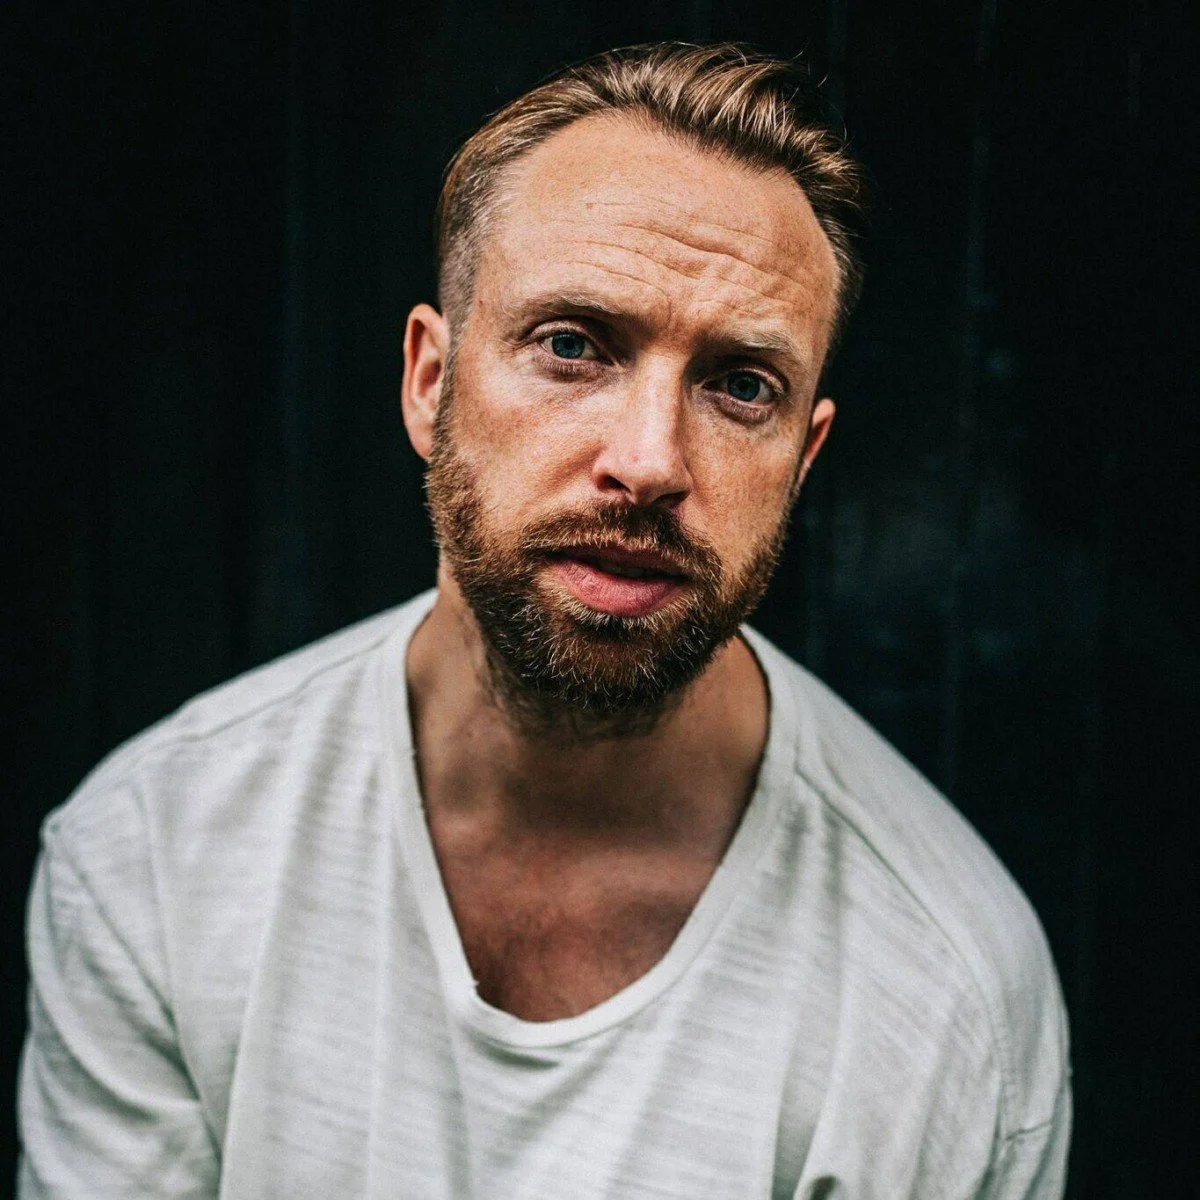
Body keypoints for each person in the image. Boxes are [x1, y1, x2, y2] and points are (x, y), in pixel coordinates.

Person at [17, 42, 1070, 1199]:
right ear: (430, 381)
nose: (650, 462)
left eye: (740, 386)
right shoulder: (160, 851)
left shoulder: (945, 994)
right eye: (572, 346)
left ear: (804, 458)